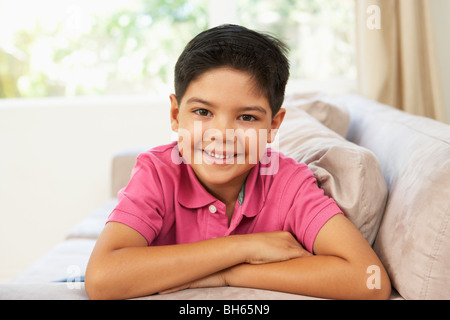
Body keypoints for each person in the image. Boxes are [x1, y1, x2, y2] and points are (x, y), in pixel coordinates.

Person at [85, 24, 391, 300]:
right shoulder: (158, 172)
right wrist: (243, 248)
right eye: (203, 112)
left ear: (273, 126)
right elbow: (102, 279)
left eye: (246, 117)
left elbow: (370, 281)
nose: (222, 135)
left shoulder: (288, 182)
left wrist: (226, 273)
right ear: (176, 115)